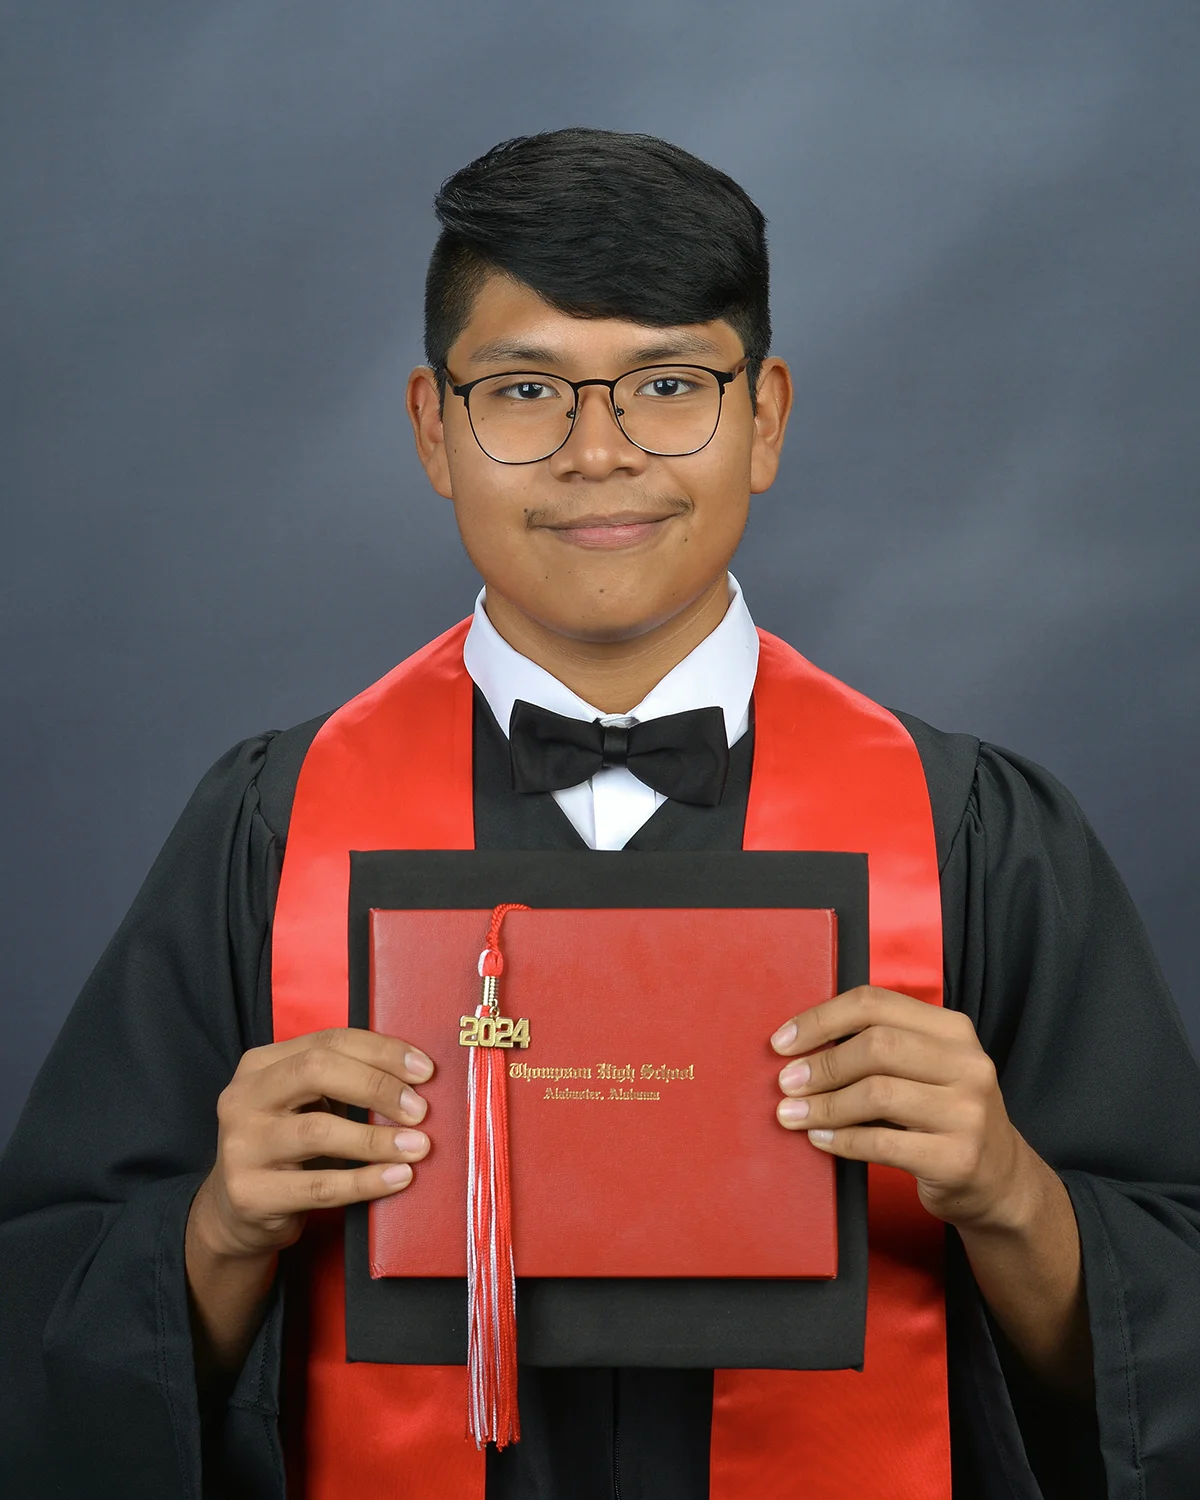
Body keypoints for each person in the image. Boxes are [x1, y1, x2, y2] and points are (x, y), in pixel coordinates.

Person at [1, 127, 1197, 1500]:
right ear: (431, 430)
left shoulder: (973, 836)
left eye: (670, 385)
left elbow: (1164, 1333)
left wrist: (1011, 1197)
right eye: (524, 392)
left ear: (770, 419)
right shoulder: (273, 834)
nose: (596, 453)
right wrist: (215, 1233)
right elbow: (43, 1331)